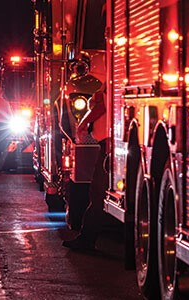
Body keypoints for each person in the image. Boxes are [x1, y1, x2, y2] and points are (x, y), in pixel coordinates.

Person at [63, 53, 110, 251]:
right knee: (97, 190)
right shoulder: (107, 84)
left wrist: (84, 123)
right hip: (106, 142)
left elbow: (101, 107)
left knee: (97, 190)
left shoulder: (108, 85)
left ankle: (87, 239)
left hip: (108, 143)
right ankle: (86, 237)